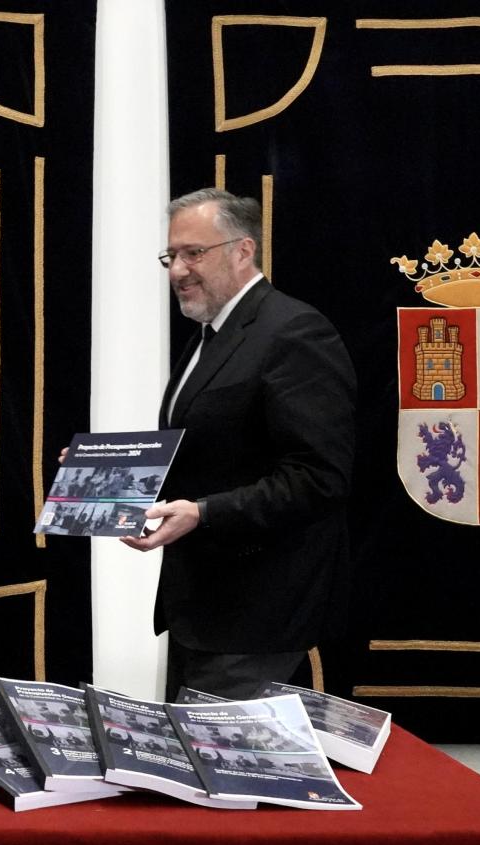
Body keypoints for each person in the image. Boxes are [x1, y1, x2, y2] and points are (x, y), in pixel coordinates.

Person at [117, 188, 355, 699]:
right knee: (188, 769)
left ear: (243, 251)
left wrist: (204, 513)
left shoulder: (293, 332)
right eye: (171, 256)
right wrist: (103, 472)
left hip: (258, 614)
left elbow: (319, 478)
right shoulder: (212, 333)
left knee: (215, 772)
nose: (177, 270)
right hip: (202, 609)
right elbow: (211, 449)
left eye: (193, 253)